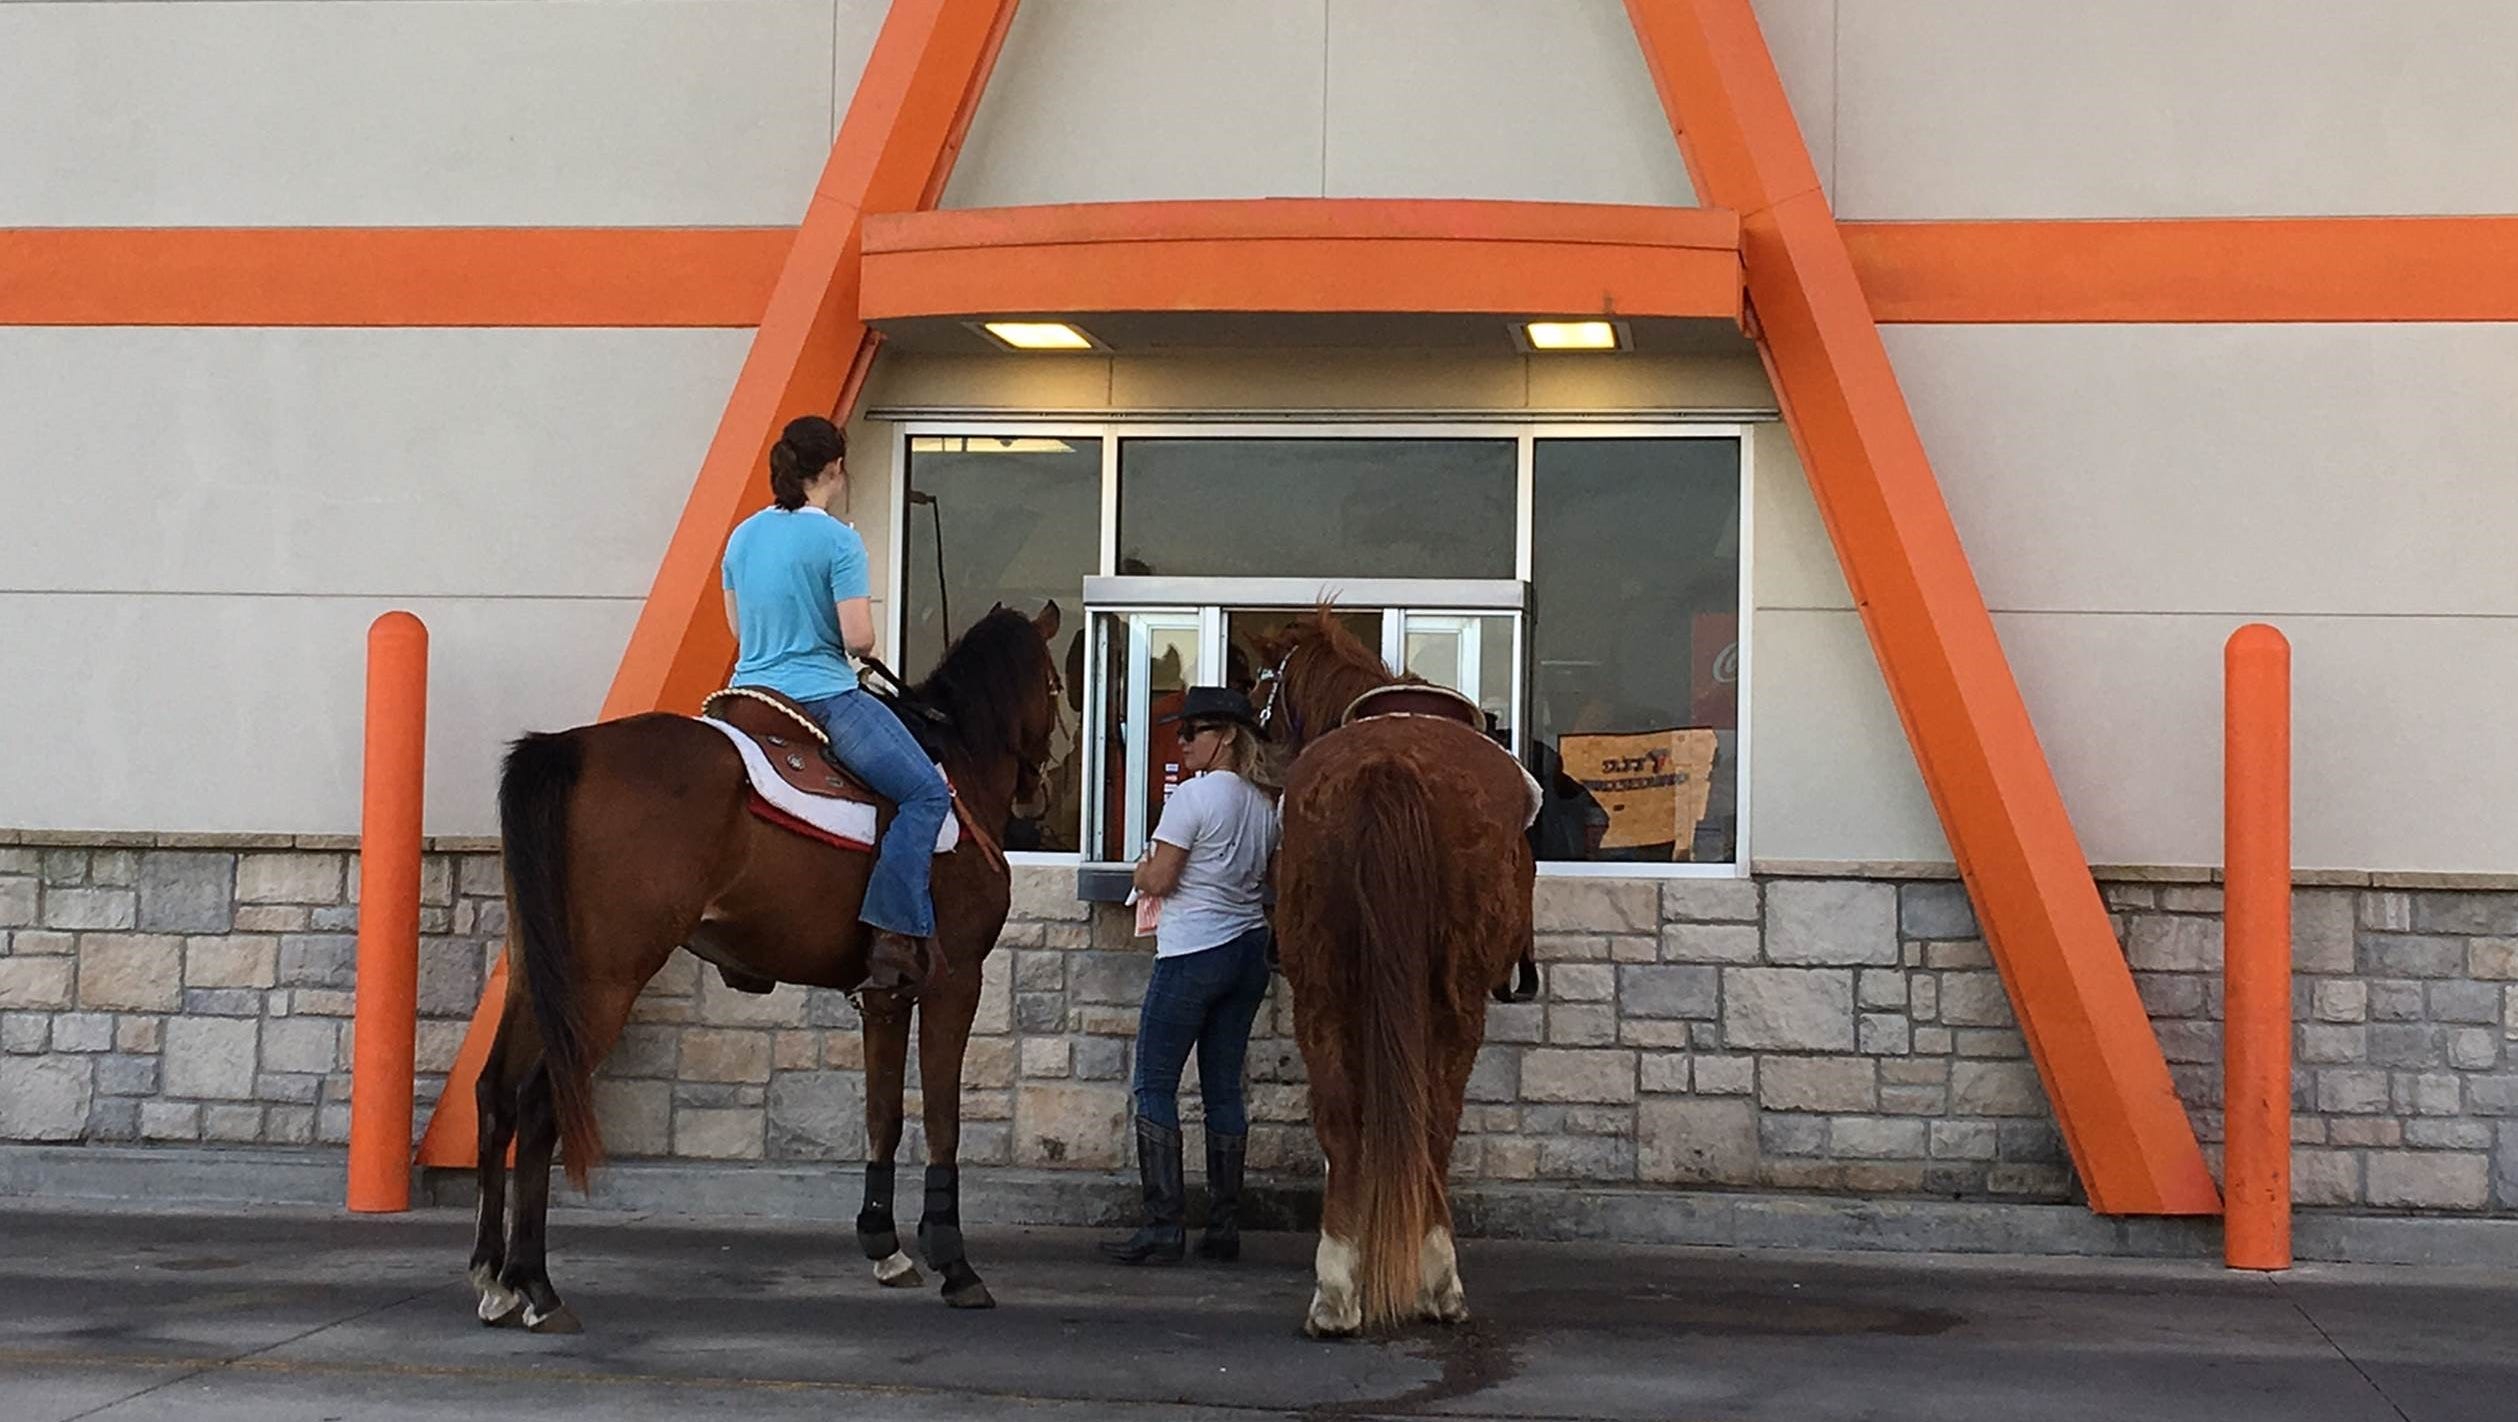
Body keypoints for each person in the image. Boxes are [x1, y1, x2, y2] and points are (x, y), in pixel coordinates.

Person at [720, 415, 950, 991]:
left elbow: (737, 626)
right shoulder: (839, 540)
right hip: (819, 696)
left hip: (746, 696)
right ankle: (893, 932)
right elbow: (858, 640)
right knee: (924, 793)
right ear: (835, 468)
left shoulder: (743, 535)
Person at [1101, 686, 1280, 1265]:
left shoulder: (1192, 798)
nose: (1179, 744)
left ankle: (1164, 1223)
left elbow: (1159, 880)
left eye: (1191, 732)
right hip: (1247, 946)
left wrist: (1140, 865)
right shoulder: (1264, 803)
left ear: (1225, 735)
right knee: (1223, 1088)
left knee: (1154, 1083)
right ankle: (1224, 1226)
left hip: (1192, 952)